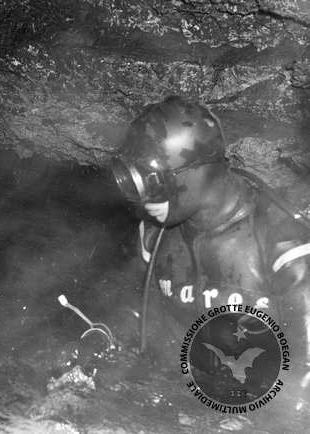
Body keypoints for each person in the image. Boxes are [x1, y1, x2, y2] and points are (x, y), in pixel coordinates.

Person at [110, 95, 310, 409]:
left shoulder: (281, 237)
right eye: (131, 181)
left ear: (196, 173)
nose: (141, 198)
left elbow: (303, 381)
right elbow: (134, 317)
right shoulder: (153, 236)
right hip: (182, 395)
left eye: (151, 182)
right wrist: (102, 341)